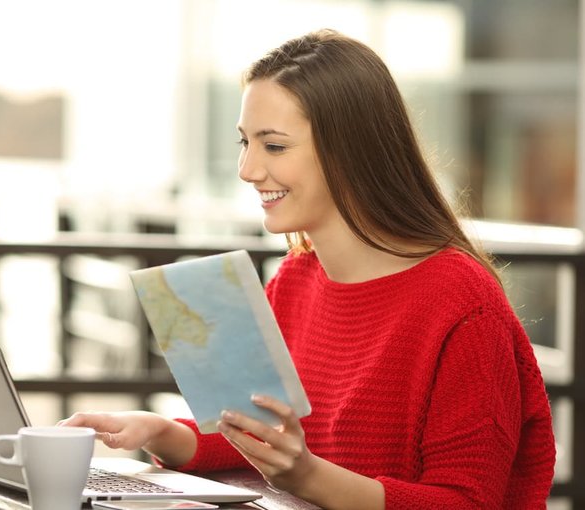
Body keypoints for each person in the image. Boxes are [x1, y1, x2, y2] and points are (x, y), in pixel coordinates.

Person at [59, 29, 556, 509]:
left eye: (273, 146)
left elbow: (467, 503)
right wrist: (159, 430)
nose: (248, 170)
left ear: (350, 153)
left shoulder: (463, 306)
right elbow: (262, 442)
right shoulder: (295, 279)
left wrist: (308, 476)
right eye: (244, 142)